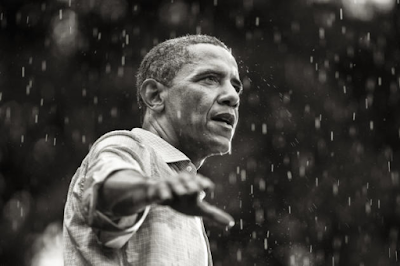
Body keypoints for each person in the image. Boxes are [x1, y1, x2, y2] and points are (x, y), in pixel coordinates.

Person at [63, 34, 243, 266]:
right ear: (155, 96)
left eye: (236, 86)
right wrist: (151, 190)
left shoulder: (181, 188)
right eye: (209, 79)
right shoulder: (128, 148)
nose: (232, 97)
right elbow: (107, 192)